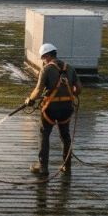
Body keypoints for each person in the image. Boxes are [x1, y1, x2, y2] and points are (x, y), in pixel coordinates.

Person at [25, 42, 81, 176]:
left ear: (48, 56)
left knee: (44, 134)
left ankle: (43, 167)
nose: (43, 61)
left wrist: (30, 100)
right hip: (66, 109)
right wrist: (68, 93)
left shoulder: (47, 69)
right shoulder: (70, 68)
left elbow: (38, 90)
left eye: (43, 58)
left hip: (50, 109)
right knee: (65, 136)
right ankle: (67, 166)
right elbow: (78, 89)